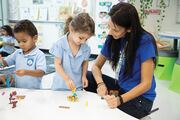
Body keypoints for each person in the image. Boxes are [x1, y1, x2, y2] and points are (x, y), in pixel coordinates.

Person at [85, 2, 158, 119]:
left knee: (107, 111)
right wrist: (100, 84)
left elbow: (146, 84)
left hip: (140, 99)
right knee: (87, 76)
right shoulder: (113, 37)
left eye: (115, 29)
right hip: (121, 89)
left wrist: (120, 100)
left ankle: (141, 115)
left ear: (129, 29)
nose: (110, 32)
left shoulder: (145, 41)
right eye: (109, 27)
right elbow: (96, 66)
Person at [49, 13, 95, 91]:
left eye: (86, 39)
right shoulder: (60, 44)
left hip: (77, 86)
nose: (83, 42)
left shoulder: (85, 48)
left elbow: (85, 62)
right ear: (71, 29)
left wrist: (84, 76)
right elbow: (57, 64)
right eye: (81, 38)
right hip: (60, 87)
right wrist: (67, 79)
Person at [0, 20, 46, 89]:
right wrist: (1, 59)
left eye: (24, 41)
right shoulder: (17, 53)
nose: (21, 44)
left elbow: (41, 72)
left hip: (34, 91)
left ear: (35, 38)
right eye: (18, 41)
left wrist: (26, 72)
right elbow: (5, 63)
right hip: (19, 90)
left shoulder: (39, 54)